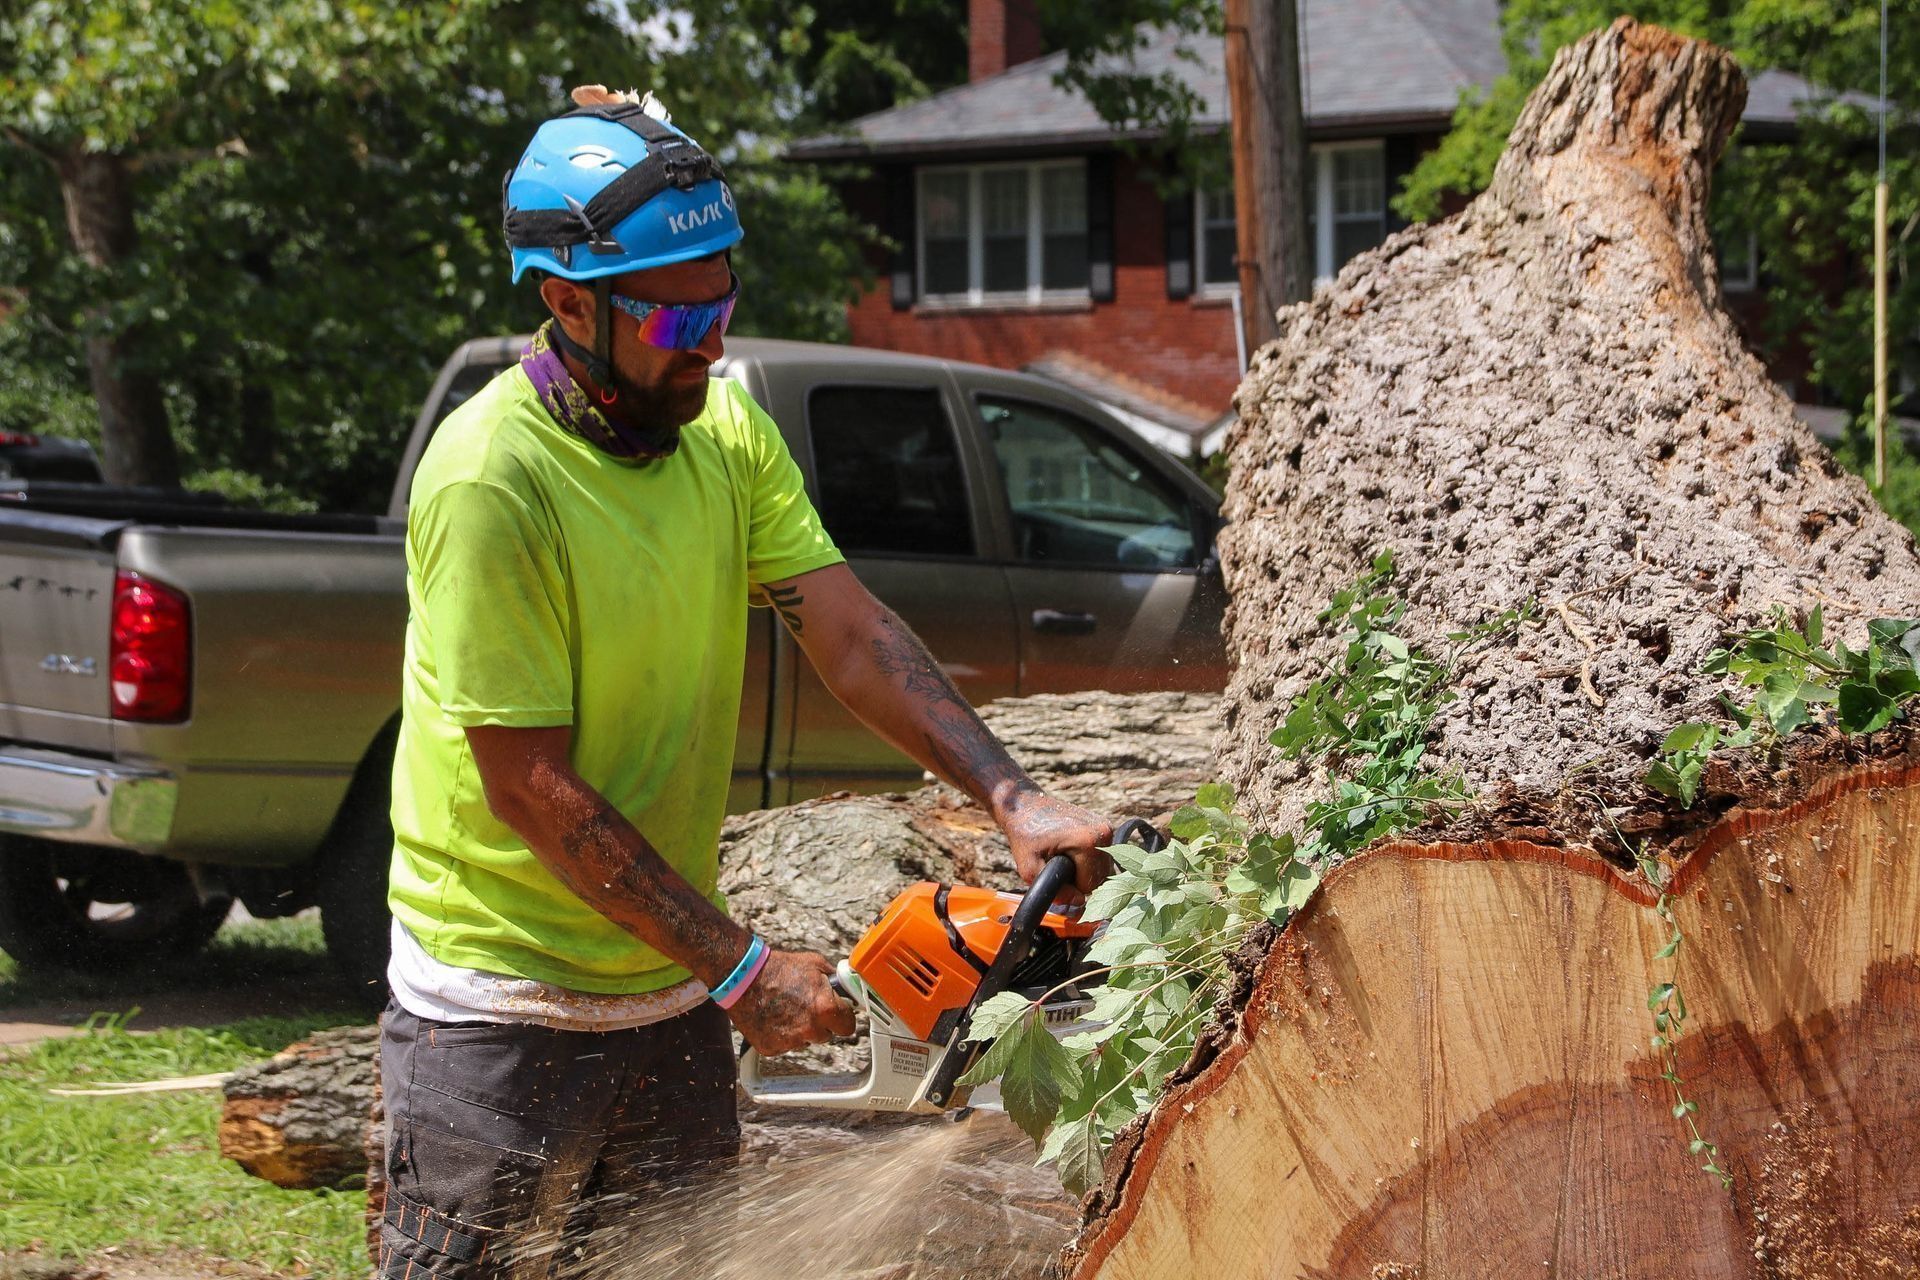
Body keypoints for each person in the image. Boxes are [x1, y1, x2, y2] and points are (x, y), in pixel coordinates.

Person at [374, 86, 1115, 1280]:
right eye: (675, 321)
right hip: (498, 1015)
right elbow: (528, 783)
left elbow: (851, 635)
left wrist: (1013, 798)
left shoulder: (724, 433)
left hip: (663, 1002)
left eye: (722, 301)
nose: (710, 343)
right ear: (569, 300)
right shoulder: (490, 479)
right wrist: (740, 967)